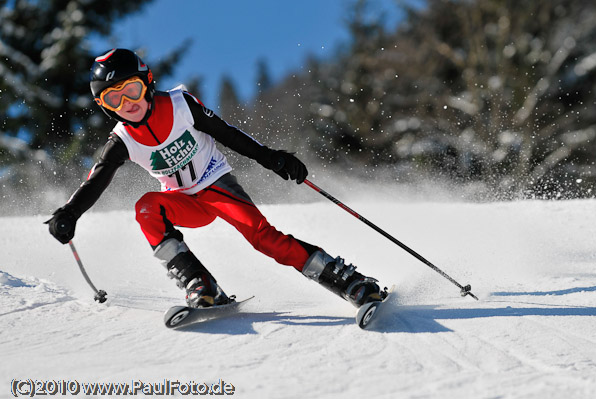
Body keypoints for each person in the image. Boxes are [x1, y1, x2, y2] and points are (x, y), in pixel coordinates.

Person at [46, 48, 384, 309]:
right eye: (113, 98)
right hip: (184, 202)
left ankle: (349, 282)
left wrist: (271, 158)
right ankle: (200, 285)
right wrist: (70, 212)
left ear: (147, 82)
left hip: (218, 186)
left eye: (131, 90)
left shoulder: (179, 105)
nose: (127, 103)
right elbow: (96, 180)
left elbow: (228, 134)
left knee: (264, 238)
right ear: (104, 106)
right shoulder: (122, 140)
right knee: (146, 207)